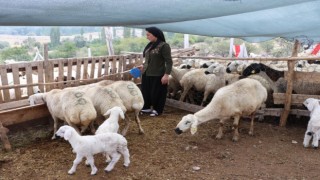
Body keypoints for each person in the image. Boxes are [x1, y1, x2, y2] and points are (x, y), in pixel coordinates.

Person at [139, 27, 173, 117]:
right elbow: (148, 60)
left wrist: (166, 75)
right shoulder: (150, 45)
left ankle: (157, 110)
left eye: (148, 35)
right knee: (146, 91)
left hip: (158, 74)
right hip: (146, 73)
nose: (147, 37)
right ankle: (146, 107)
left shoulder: (164, 46)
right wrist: (143, 66)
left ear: (155, 34)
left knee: (157, 93)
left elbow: (169, 62)